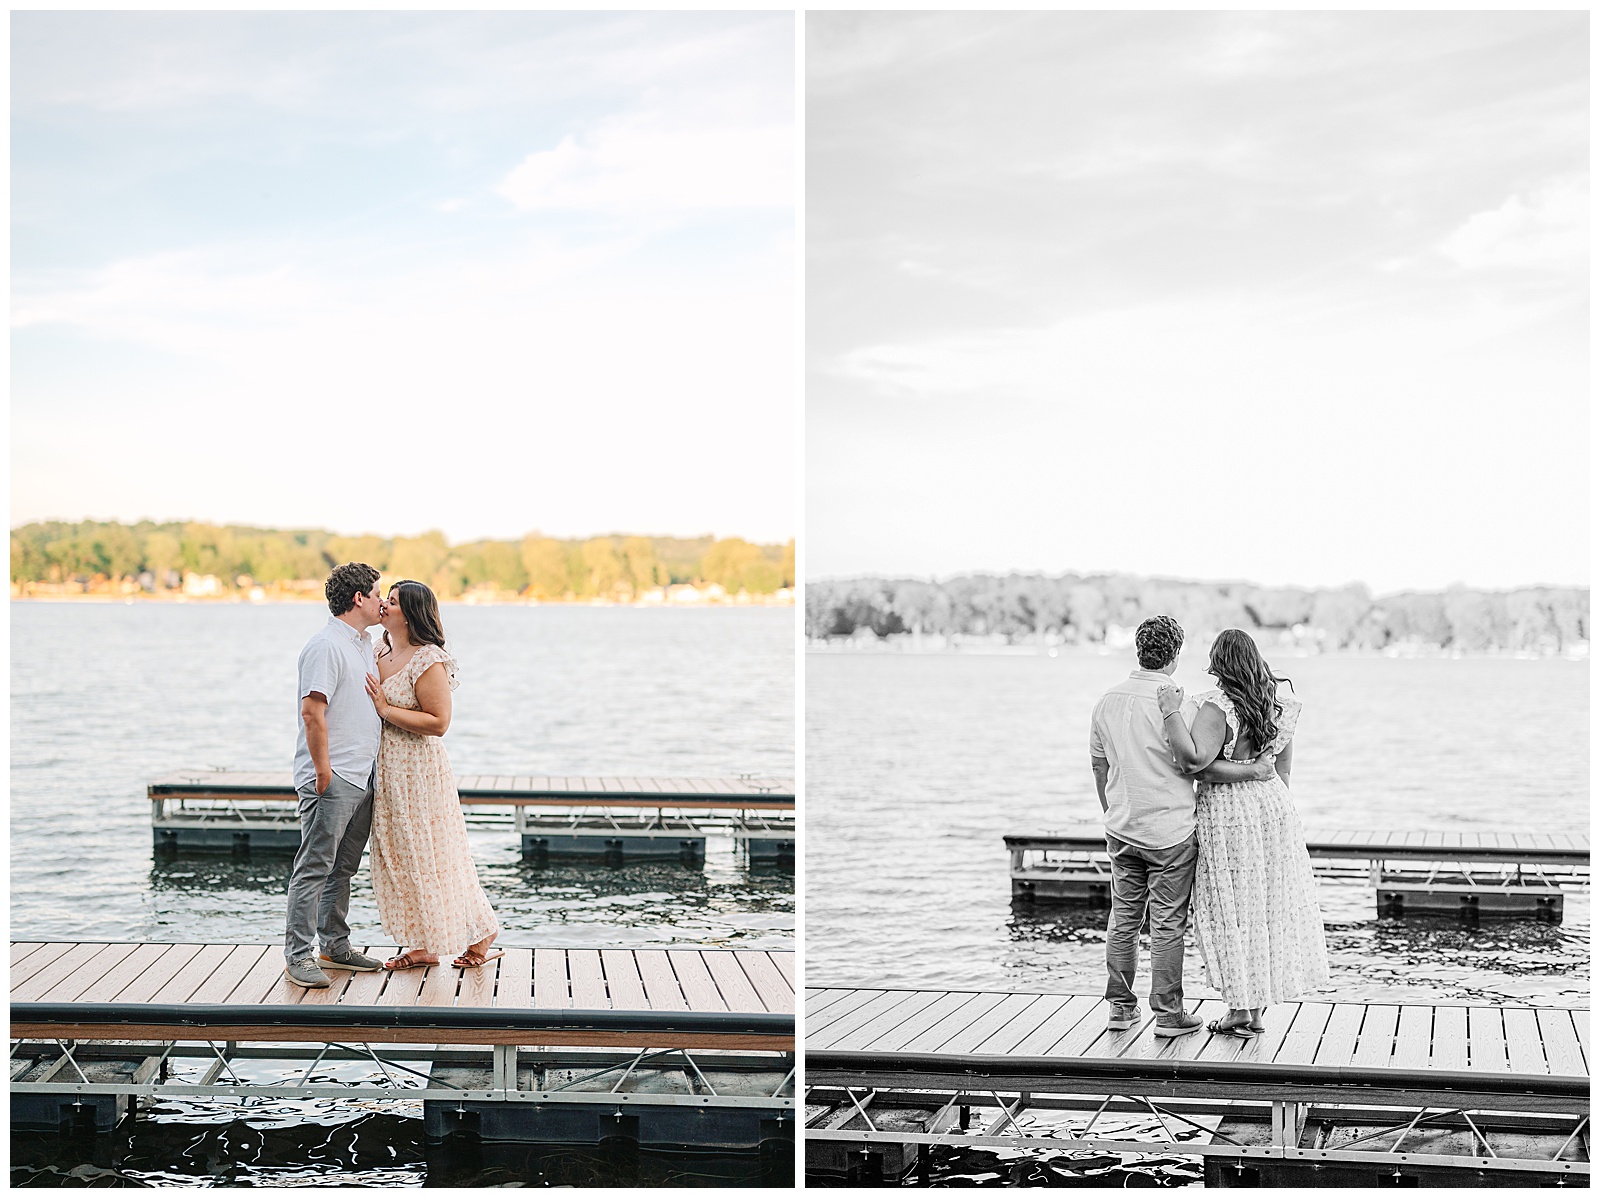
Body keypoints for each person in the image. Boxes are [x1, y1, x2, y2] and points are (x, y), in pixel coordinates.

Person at [1089, 615, 1274, 1036]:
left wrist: (1111, 810)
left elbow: (1099, 765)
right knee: (1167, 923)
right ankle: (1168, 1015)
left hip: (1122, 828)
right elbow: (1196, 763)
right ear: (1174, 655)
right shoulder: (1183, 705)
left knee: (1123, 919)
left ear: (1138, 650)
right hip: (1170, 831)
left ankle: (1120, 1009)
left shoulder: (1106, 702)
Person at [1157, 628, 1329, 1037]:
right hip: (1273, 808)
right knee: (1263, 909)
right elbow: (1282, 770)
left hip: (1229, 811)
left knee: (1229, 910)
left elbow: (1197, 766)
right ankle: (1252, 1012)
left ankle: (1241, 1009)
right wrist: (1267, 803)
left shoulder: (1217, 707)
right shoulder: (1281, 706)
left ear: (1219, 663)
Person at [364, 579, 502, 971]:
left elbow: (439, 722)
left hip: (419, 772)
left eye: (392, 602)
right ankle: (423, 943)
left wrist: (385, 709)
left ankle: (482, 931)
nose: (384, 606)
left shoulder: (428, 660)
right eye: (385, 600)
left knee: (434, 855)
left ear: (410, 614)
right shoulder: (380, 650)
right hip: (387, 770)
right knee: (400, 856)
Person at [284, 562, 388, 988]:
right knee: (314, 867)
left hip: (362, 775)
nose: (383, 600)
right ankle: (298, 955)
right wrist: (323, 773)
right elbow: (312, 712)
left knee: (342, 868)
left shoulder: (363, 643)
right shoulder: (325, 645)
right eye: (378, 593)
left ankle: (335, 946)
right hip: (334, 777)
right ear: (359, 598)